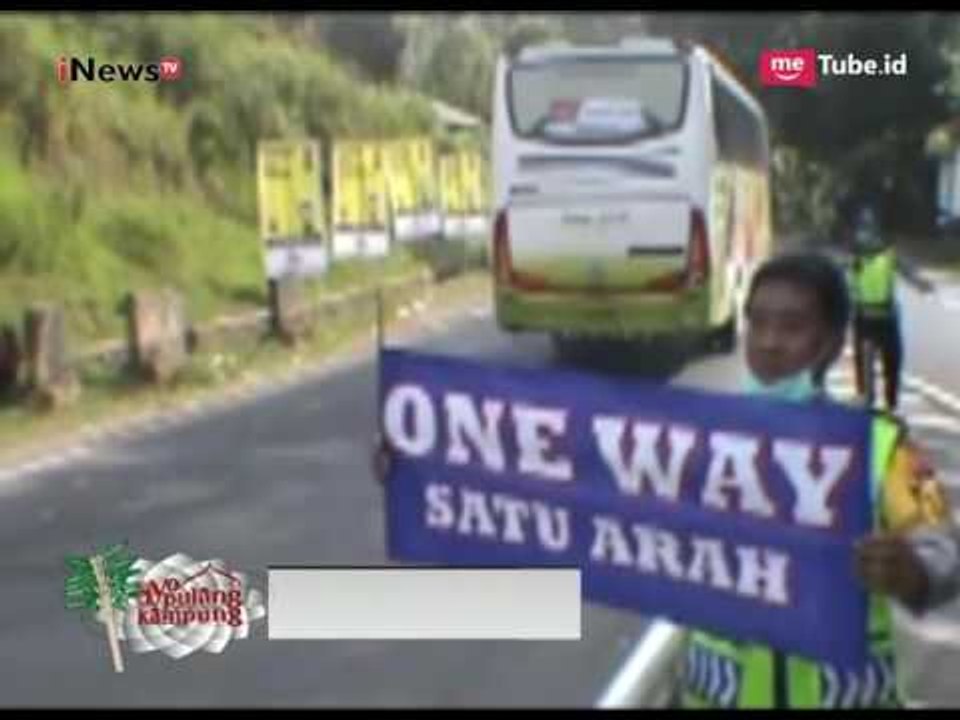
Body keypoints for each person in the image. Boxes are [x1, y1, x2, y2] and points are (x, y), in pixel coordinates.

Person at [680, 251, 958, 709]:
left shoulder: (879, 446)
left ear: (830, 343)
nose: (768, 342)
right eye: (758, 323)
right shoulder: (697, 441)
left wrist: (912, 571)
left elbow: (942, 546)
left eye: (792, 326)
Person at [846, 204, 935, 412]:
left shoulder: (888, 256)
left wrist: (922, 284)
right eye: (862, 229)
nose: (865, 236)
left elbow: (908, 273)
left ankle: (890, 408)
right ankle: (868, 405)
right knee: (865, 375)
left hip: (886, 318)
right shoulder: (854, 259)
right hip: (865, 320)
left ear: (876, 232)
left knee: (892, 367)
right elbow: (844, 287)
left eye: (868, 230)